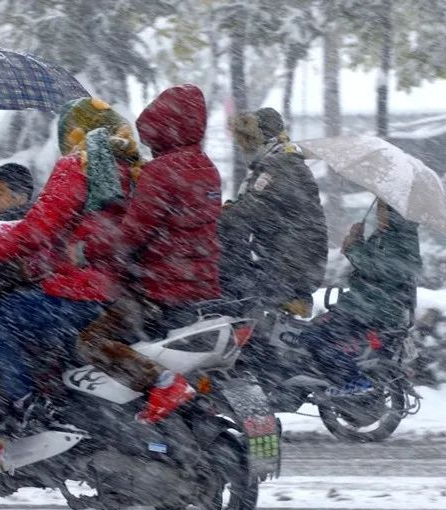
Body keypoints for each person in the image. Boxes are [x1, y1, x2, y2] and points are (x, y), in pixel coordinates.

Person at [0, 97, 142, 427]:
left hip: (81, 292)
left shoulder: (80, 166)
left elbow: (39, 228)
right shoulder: (132, 170)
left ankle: (25, 401)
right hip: (119, 292)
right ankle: (57, 399)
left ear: (71, 133)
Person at [76, 84, 221, 422]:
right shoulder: (206, 167)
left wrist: (87, 249)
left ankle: (162, 382)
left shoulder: (161, 171)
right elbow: (177, 219)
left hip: (160, 289)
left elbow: (132, 236)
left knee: (89, 342)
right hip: (200, 286)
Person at [301, 201, 421, 395]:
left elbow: (378, 269)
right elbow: (372, 265)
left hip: (375, 309)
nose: (378, 215)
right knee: (313, 332)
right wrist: (357, 240)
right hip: (366, 304)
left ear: (394, 213)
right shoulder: (388, 235)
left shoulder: (400, 239)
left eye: (382, 210)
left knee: (317, 336)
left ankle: (352, 379)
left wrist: (354, 247)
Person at [218, 107, 328, 315]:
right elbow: (258, 206)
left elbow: (248, 213)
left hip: (288, 271)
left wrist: (216, 216)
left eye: (249, 143)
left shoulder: (280, 166)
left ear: (264, 140)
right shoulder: (284, 162)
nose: (244, 151)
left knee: (226, 292)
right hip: (296, 267)